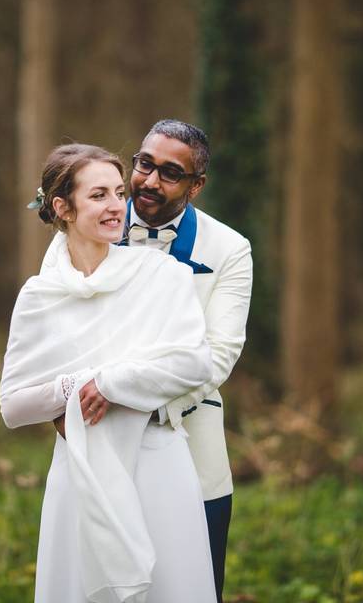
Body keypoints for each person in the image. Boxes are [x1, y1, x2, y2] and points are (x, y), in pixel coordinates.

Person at [0, 143, 217, 603]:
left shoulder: (163, 276)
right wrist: (76, 387)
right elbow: (14, 406)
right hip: (80, 471)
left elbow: (193, 363)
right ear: (63, 207)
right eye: (99, 195)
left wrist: (110, 383)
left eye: (119, 193)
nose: (118, 205)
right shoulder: (40, 296)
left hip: (158, 462)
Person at [102, 119, 252, 603]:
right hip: (98, 444)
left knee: (192, 588)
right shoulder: (88, 228)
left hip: (191, 448)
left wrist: (133, 402)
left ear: (196, 186)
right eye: (144, 164)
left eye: (170, 173)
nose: (149, 180)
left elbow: (218, 356)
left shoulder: (230, 250)